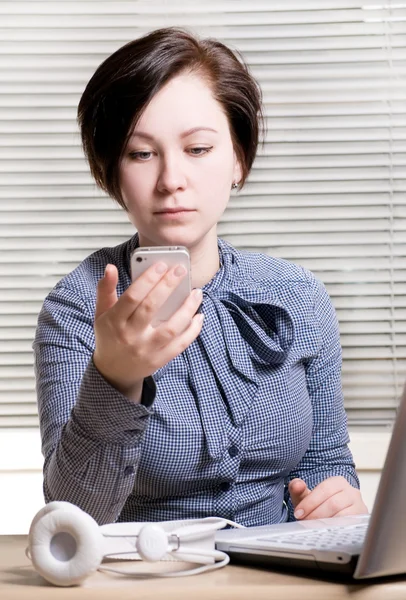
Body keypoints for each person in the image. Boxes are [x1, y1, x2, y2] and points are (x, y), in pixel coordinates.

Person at [33, 27, 367, 527]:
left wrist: (338, 501)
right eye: (141, 153)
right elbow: (72, 516)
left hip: (278, 576)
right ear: (112, 172)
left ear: (238, 158)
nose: (171, 180)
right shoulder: (79, 309)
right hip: (140, 575)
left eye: (198, 149)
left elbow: (325, 465)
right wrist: (116, 377)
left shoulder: (298, 296)